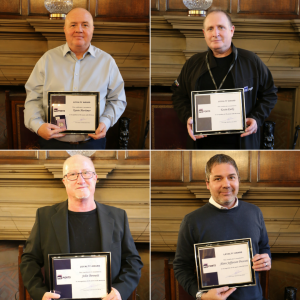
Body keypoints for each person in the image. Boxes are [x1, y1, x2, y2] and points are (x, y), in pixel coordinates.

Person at [20, 154, 143, 300]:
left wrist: (120, 291)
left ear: (95, 178)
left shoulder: (118, 217)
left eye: (86, 173)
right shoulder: (45, 217)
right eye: (73, 174)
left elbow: (133, 261)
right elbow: (29, 260)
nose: (81, 180)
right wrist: (40, 293)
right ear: (64, 181)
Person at [171, 9, 277, 149]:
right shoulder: (193, 63)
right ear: (204, 34)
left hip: (242, 144)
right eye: (210, 29)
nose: (215, 33)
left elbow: (270, 94)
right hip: (201, 144)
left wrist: (257, 118)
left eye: (221, 27)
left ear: (232, 30)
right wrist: (188, 117)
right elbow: (178, 95)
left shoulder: (251, 61)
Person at [24, 8, 126, 150]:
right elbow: (33, 99)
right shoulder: (47, 60)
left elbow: (118, 99)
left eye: (85, 25)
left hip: (93, 144)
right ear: (64, 29)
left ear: (92, 29)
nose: (79, 30)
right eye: (73, 25)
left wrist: (105, 122)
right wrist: (38, 125)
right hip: (52, 143)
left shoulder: (107, 62)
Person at [173, 154, 271, 300]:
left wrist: (266, 260)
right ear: (208, 183)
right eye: (218, 178)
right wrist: (202, 296)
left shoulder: (255, 213)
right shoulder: (192, 221)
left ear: (238, 180)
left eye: (231, 177)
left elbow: (264, 248)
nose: (226, 184)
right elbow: (181, 267)